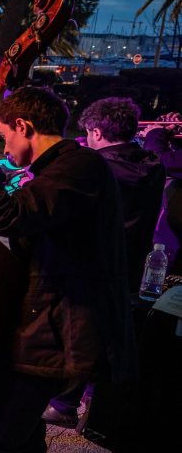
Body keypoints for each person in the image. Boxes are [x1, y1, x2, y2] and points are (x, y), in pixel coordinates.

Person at [0, 87, 136, 453]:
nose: (4, 148)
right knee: (21, 440)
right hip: (43, 327)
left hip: (55, 333)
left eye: (5, 137)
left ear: (23, 126)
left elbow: (7, 217)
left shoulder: (80, 166)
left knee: (0, 443)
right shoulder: (63, 169)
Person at [40, 96, 165, 428]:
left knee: (80, 330)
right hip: (131, 261)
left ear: (96, 132)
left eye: (88, 134)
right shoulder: (153, 164)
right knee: (106, 326)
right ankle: (87, 399)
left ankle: (64, 402)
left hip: (92, 261)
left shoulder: (98, 168)